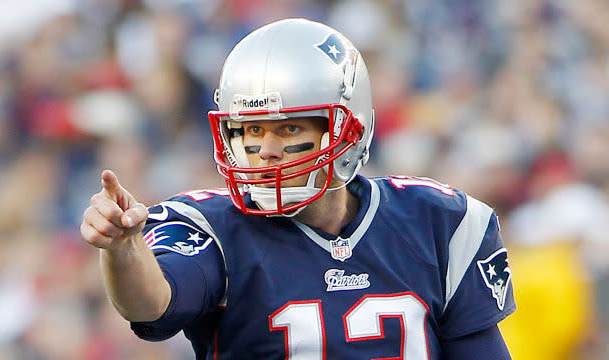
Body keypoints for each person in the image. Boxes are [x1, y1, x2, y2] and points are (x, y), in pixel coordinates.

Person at [81, 18, 515, 359]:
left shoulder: (438, 222)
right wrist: (123, 248)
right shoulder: (211, 229)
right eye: (251, 130)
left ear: (348, 127)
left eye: (288, 128)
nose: (266, 151)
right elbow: (152, 305)